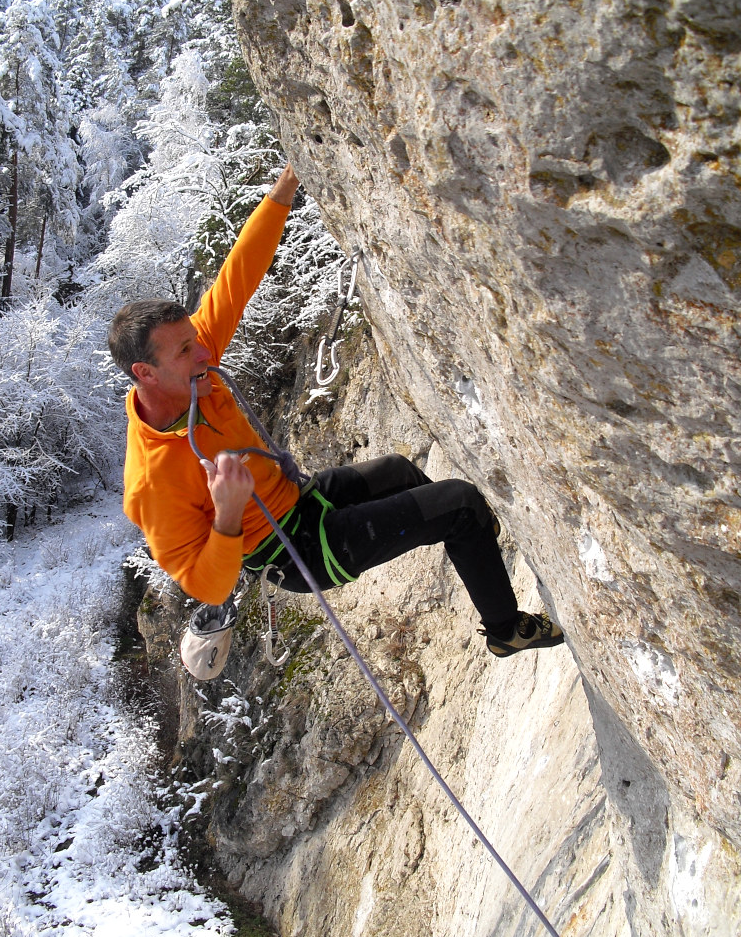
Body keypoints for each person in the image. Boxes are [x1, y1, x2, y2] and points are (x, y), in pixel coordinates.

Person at [108, 163, 564, 660]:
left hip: (302, 500)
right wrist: (230, 513)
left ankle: (476, 544)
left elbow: (237, 276)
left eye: (197, 341)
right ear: (145, 373)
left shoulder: (194, 364)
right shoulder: (152, 481)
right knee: (460, 504)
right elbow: (208, 585)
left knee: (401, 472)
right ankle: (505, 628)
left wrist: (283, 189)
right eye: (184, 351)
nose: (204, 352)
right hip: (295, 549)